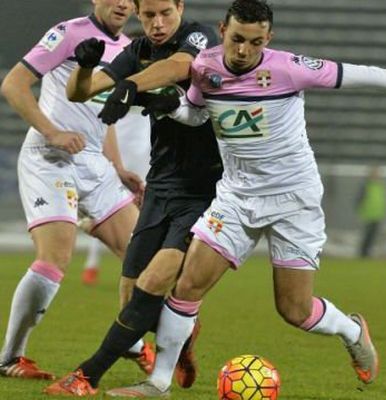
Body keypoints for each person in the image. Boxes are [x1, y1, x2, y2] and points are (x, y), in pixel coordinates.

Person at [46, 0, 386, 396]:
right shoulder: (206, 67)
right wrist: (170, 107)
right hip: (236, 197)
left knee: (293, 310)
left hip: (293, 200)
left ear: (268, 39)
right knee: (187, 286)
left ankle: (351, 331)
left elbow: (362, 74)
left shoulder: (291, 67)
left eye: (255, 42)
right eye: (237, 39)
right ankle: (159, 380)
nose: (243, 50)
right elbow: (198, 113)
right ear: (224, 30)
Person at [44, 0, 222, 396]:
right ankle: (183, 335)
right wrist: (87, 66)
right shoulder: (139, 50)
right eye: (148, 16)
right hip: (161, 184)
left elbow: (180, 67)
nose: (157, 24)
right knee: (129, 300)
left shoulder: (201, 35)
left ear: (179, 7)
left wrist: (129, 85)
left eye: (165, 13)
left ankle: (87, 376)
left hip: (207, 188)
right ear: (139, 15)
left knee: (156, 280)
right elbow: (80, 92)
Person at [0, 0, 157, 380]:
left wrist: (118, 169)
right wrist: (51, 131)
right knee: (55, 258)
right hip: (49, 157)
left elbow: (105, 119)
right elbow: (13, 85)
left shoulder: (126, 50)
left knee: (143, 253)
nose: (123, 4)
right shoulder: (68, 33)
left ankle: (131, 342)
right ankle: (9, 358)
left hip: (94, 163)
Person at [81, 106, 152, 287]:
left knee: (141, 200)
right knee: (107, 203)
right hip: (117, 129)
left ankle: (133, 267)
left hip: (143, 133)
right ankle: (93, 263)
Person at [356, 166, 386, 258]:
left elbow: (382, 200)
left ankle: (368, 253)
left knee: (373, 236)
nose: (377, 175)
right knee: (367, 235)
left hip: (378, 215)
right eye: (375, 173)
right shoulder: (366, 186)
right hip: (368, 215)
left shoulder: (381, 185)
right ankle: (363, 253)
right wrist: (361, 212)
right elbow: (359, 200)